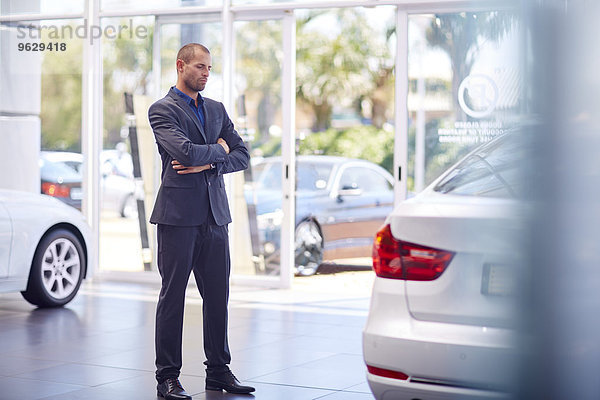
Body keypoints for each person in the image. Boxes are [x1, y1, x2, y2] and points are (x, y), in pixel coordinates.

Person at [148, 43, 254, 399]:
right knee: (173, 297)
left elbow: (242, 155)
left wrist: (211, 160)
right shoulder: (162, 110)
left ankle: (219, 372)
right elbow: (184, 153)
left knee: (218, 297)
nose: (206, 73)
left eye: (209, 67)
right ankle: (167, 378)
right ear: (181, 66)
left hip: (215, 218)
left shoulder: (217, 109)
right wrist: (219, 149)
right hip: (178, 219)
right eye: (200, 67)